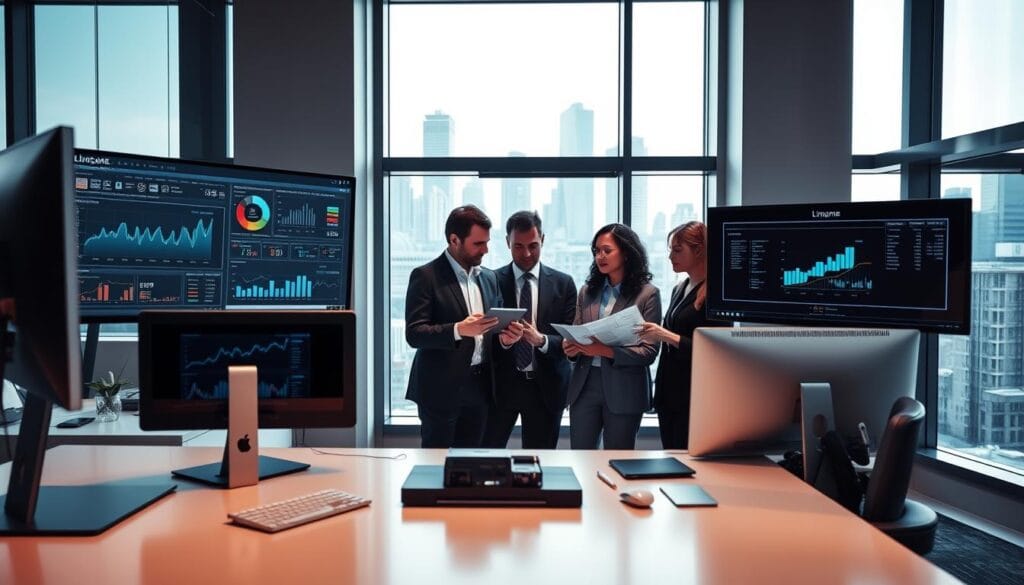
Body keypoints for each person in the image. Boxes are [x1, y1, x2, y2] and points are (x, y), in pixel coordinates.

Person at [405, 205, 521, 448]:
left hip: (480, 387)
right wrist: (458, 329)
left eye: (487, 242)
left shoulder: (489, 278)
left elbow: (491, 332)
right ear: (454, 239)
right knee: (436, 466)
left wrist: (505, 340)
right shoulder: (426, 276)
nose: (486, 250)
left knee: (472, 465)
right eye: (478, 244)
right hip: (440, 389)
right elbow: (414, 334)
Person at [482, 211, 577, 449]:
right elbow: (481, 338)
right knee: (487, 458)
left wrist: (541, 340)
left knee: (539, 463)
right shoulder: (490, 280)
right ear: (507, 243)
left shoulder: (564, 284)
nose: (526, 254)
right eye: (518, 247)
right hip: (501, 388)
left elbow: (572, 342)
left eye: (533, 246)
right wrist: (504, 341)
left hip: (545, 389)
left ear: (543, 239)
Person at [563, 223, 661, 450]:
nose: (600, 256)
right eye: (596, 251)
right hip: (585, 386)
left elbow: (648, 352)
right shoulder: (587, 291)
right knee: (580, 457)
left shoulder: (648, 294)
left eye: (607, 250)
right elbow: (577, 333)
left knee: (619, 460)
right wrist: (571, 349)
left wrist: (604, 350)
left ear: (626, 252)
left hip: (624, 389)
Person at [637, 221, 712, 449]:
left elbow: (713, 352)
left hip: (693, 395)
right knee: (670, 455)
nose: (671, 256)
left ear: (699, 250)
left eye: (678, 250)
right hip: (668, 391)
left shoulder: (715, 295)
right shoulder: (680, 288)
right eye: (670, 250)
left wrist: (665, 335)